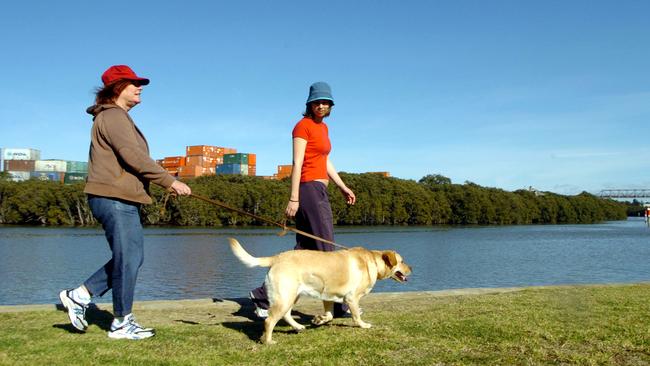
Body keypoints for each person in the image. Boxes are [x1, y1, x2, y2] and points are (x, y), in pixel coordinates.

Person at [59, 65, 192, 340]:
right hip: (114, 197)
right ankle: (121, 322)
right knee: (129, 258)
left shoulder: (114, 117)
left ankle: (80, 295)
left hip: (118, 198)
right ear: (117, 88)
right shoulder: (114, 117)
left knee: (131, 257)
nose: (139, 87)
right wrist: (170, 181)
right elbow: (133, 156)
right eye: (133, 83)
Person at [250, 81, 356, 318]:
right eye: (317, 102)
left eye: (325, 103)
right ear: (310, 104)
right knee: (326, 248)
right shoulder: (302, 126)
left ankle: (263, 296)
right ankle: (338, 305)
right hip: (308, 191)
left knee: (305, 249)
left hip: (319, 190)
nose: (321, 106)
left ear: (331, 106)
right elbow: (297, 163)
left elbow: (324, 161)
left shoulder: (324, 129)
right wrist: (294, 198)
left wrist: (342, 186)